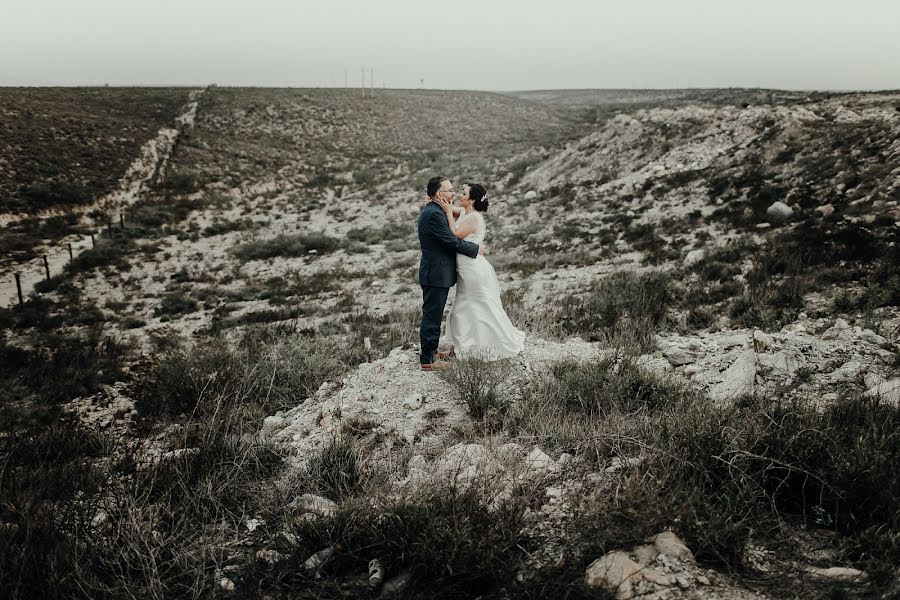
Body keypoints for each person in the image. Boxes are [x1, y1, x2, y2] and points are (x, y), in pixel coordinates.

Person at [435, 183, 525, 360]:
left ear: (472, 200)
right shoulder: (464, 212)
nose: (460, 195)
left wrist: (446, 212)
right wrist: (437, 200)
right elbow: (450, 208)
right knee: (464, 306)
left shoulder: (474, 218)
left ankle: (488, 345)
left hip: (472, 269)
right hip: (465, 267)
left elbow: (455, 233)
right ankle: (463, 348)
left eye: (463, 193)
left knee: (476, 306)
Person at [417, 176, 483, 371]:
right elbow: (451, 241)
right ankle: (428, 361)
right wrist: (475, 249)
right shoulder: (434, 214)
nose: (453, 193)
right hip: (436, 272)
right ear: (439, 194)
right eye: (450, 190)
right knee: (432, 315)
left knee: (434, 314)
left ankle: (431, 351)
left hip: (437, 271)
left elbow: (457, 217)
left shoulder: (435, 209)